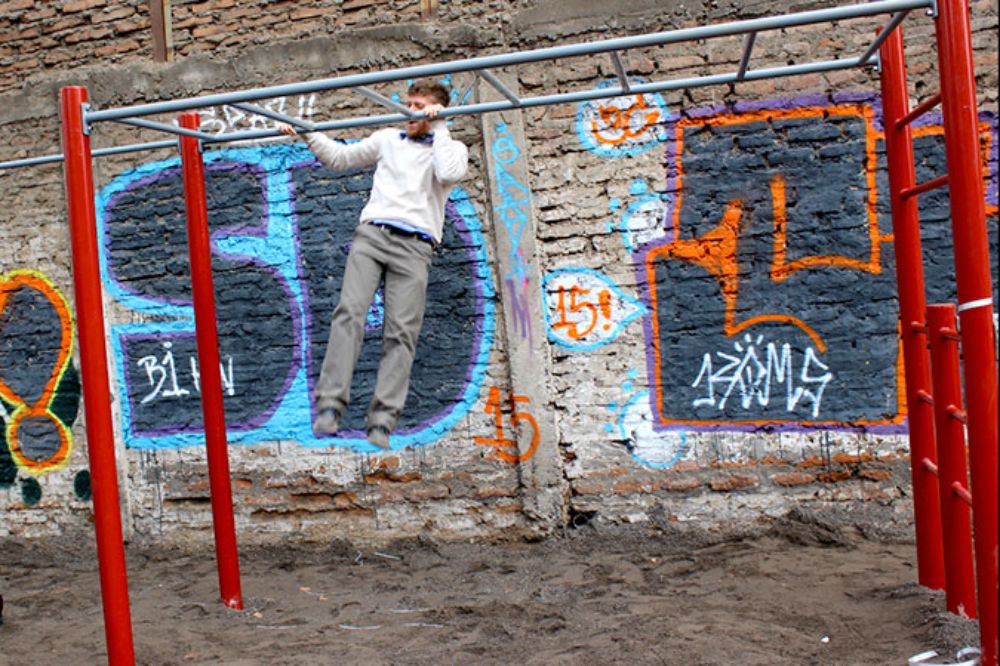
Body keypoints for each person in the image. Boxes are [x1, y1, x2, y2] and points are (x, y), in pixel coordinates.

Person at [278, 80, 469, 449]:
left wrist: (441, 126)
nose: (410, 111)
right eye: (408, 103)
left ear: (436, 111)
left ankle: (382, 421)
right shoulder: (388, 139)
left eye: (419, 106)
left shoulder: (451, 148)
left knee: (401, 332)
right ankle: (330, 407)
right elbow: (340, 158)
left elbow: (447, 174)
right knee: (349, 313)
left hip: (415, 247)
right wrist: (307, 133)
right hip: (373, 236)